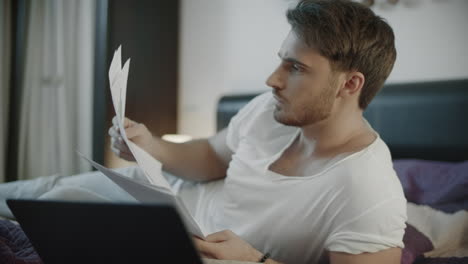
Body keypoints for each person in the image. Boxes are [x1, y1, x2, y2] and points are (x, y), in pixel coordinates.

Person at [0, 0, 406, 263]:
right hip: (165, 190)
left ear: (350, 84)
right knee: (21, 194)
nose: (272, 80)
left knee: (61, 201)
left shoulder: (368, 188)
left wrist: (257, 262)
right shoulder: (273, 109)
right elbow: (212, 158)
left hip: (184, 239)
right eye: (281, 61)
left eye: (295, 68)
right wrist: (151, 145)